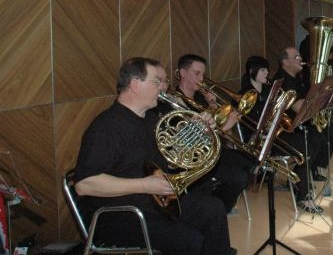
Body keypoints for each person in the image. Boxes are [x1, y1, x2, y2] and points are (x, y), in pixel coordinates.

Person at [73, 57, 235, 255]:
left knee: (213, 208)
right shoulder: (106, 127)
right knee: (189, 239)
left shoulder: (151, 120)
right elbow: (84, 184)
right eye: (157, 81)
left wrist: (199, 133)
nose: (163, 87)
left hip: (154, 203)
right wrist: (144, 185)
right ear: (135, 84)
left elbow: (169, 162)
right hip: (120, 215)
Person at [175, 54, 254, 213]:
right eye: (197, 73)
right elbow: (194, 140)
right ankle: (220, 207)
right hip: (198, 158)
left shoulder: (200, 98)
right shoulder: (176, 102)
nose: (201, 79)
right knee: (239, 177)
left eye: (203, 74)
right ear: (182, 73)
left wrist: (212, 103)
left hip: (214, 150)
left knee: (249, 161)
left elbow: (224, 136)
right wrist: (226, 126)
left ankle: (218, 202)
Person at [273, 47, 333, 213]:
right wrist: (319, 96)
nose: (301, 58)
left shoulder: (298, 78)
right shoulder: (282, 80)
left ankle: (308, 171)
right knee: (308, 145)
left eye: (300, 56)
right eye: (296, 57)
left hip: (300, 125)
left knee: (331, 132)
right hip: (284, 131)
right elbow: (298, 108)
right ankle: (304, 196)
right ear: (285, 62)